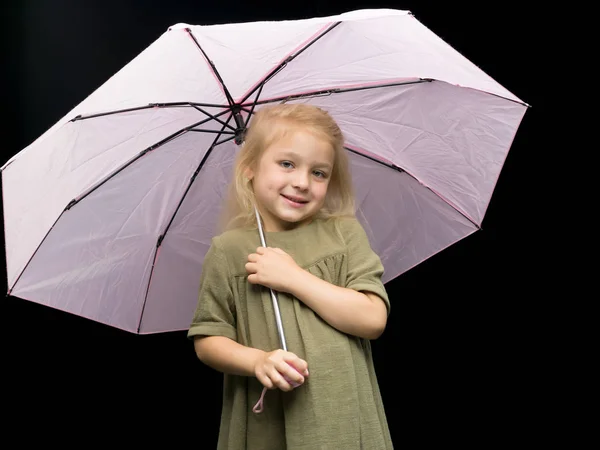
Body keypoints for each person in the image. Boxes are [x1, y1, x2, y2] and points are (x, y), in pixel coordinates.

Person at [187, 103, 393, 449]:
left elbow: (372, 319)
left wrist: (293, 277)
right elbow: (208, 339)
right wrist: (258, 361)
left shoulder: (343, 234)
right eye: (287, 164)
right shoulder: (229, 251)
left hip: (342, 416)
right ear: (250, 167)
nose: (301, 182)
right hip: (269, 424)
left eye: (319, 173)